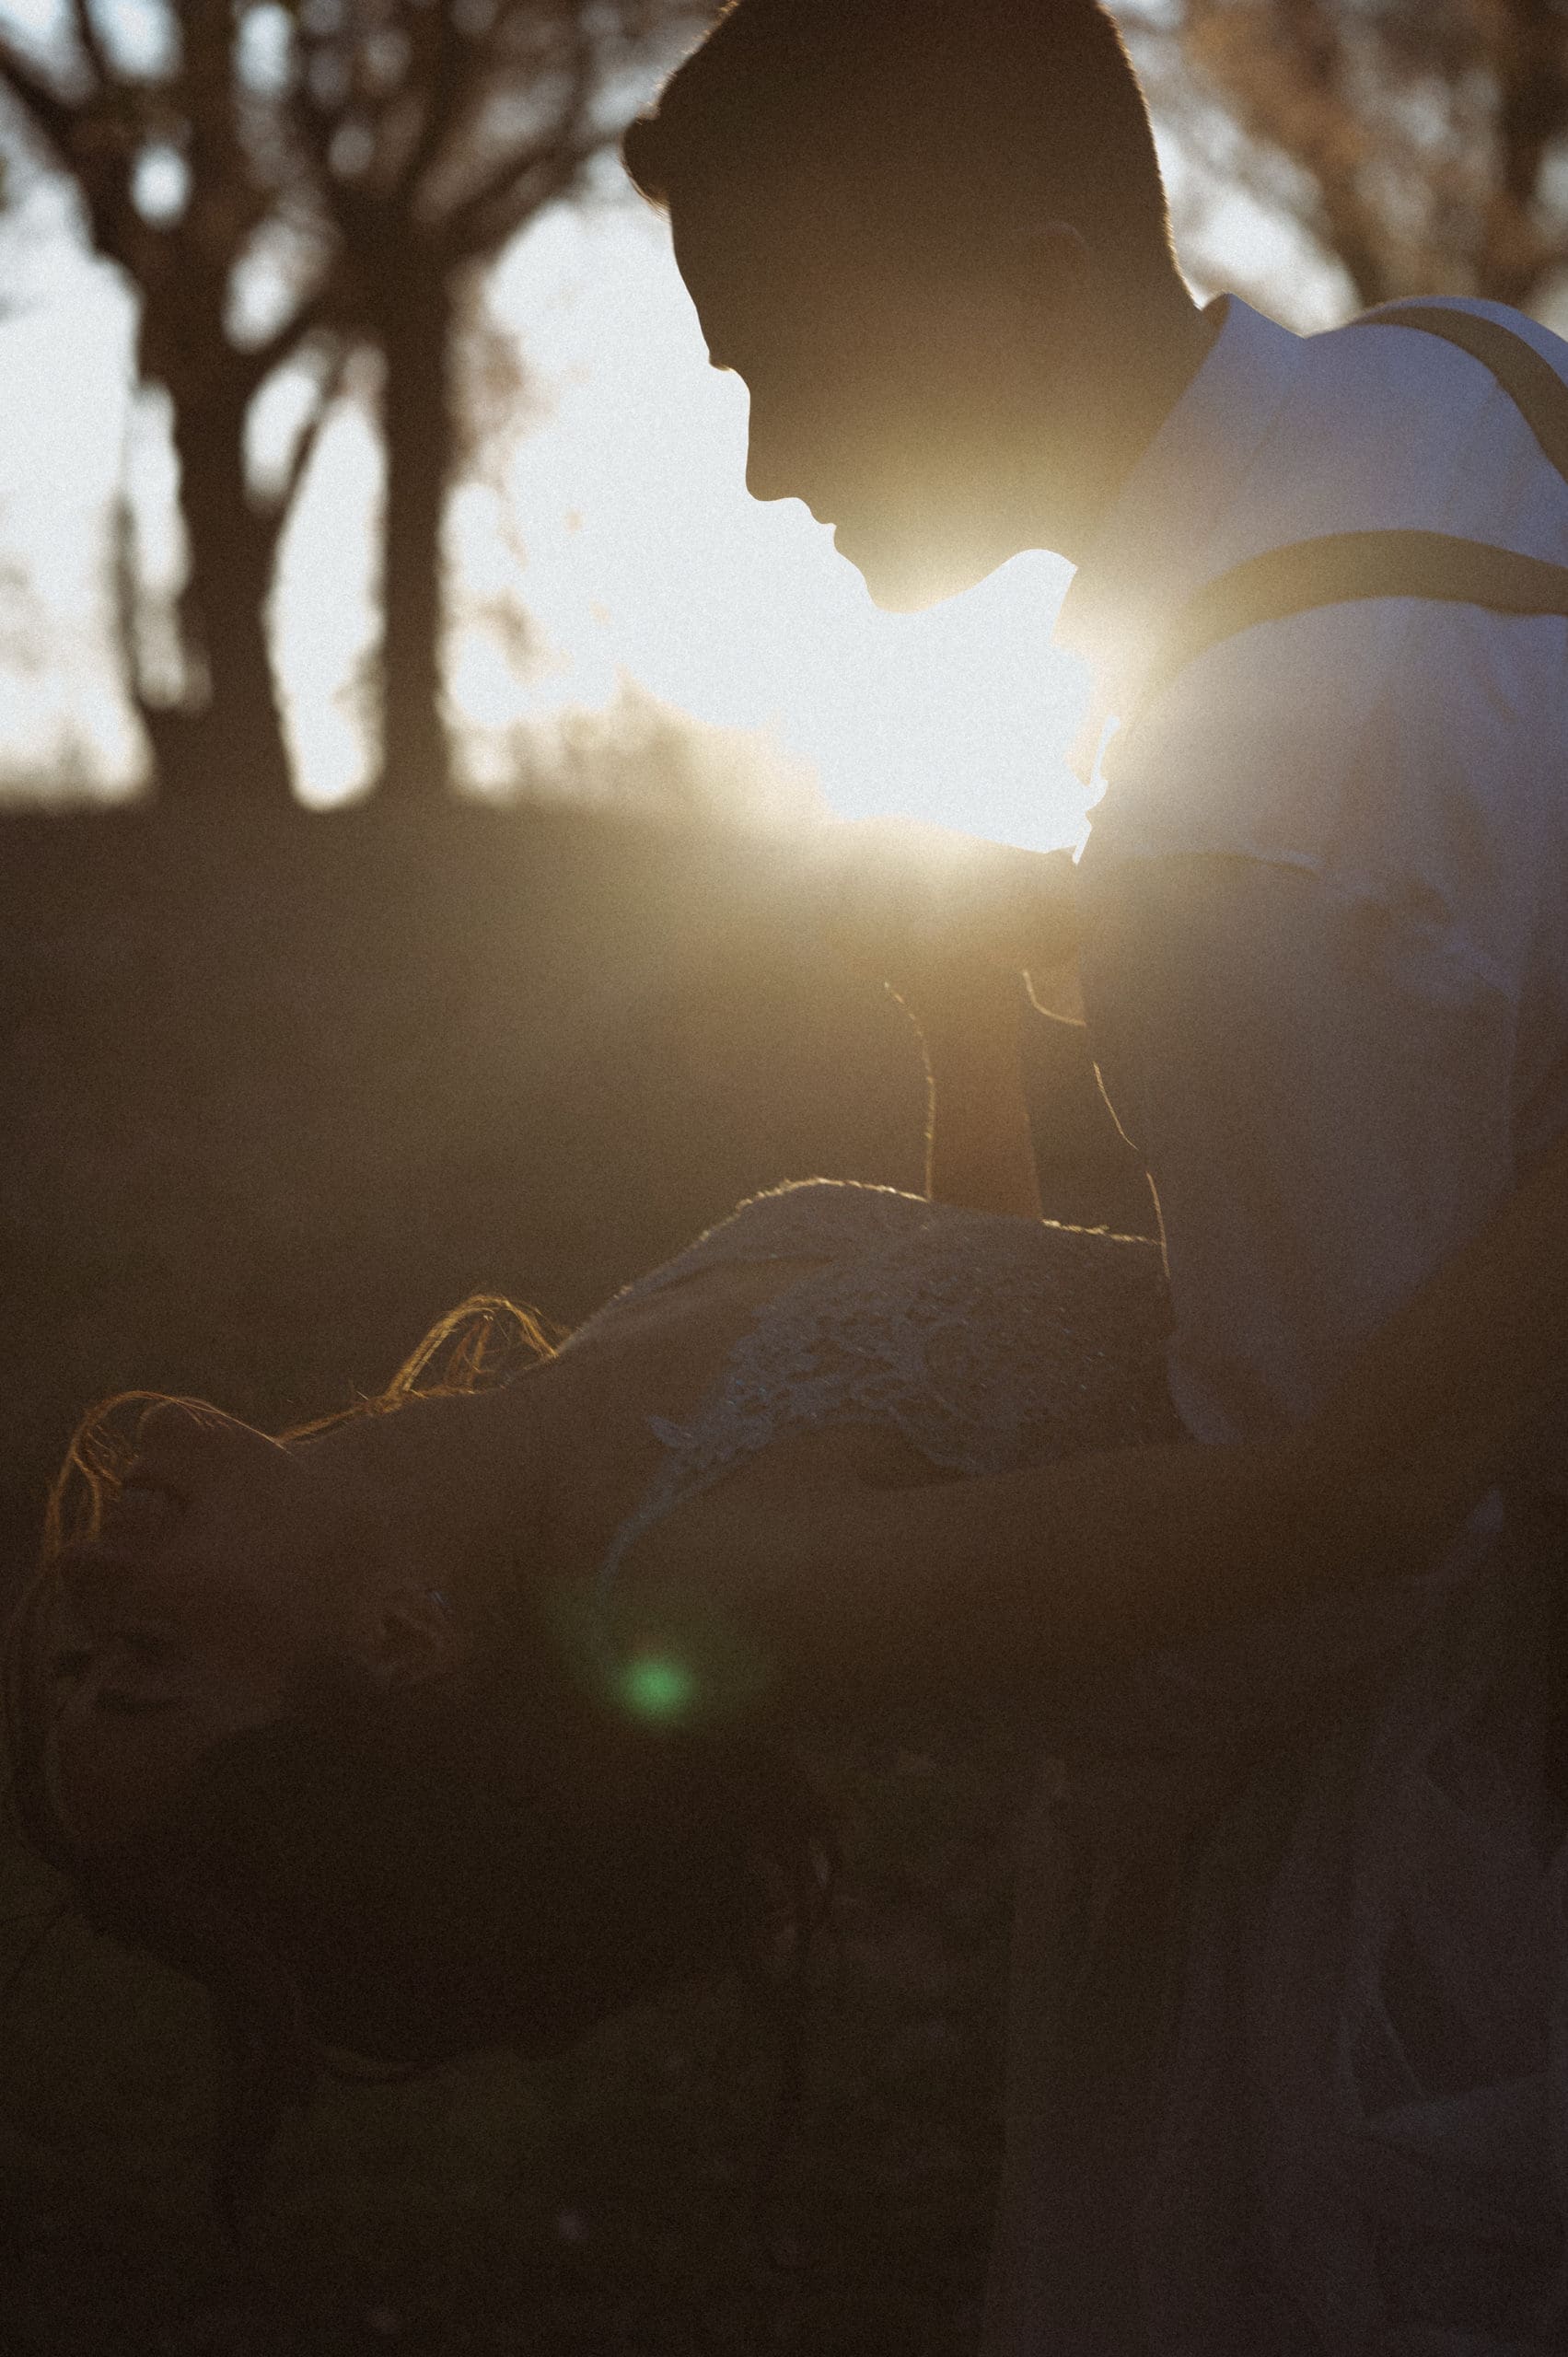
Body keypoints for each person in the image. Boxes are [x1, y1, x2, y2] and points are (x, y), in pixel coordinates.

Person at [7, 838, 1568, 2281]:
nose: (80, 1587)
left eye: (71, 1657)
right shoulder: (702, 1593)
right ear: (399, 1642)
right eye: (144, 1665)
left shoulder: (584, 1417)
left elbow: (986, 1402)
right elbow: (1362, 1501)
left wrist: (962, 1026)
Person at [621, 0, 1568, 2347]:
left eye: (791, 366)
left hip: (1458, 1876)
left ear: (1035, 289)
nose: (764, 466)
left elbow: (1340, 1539)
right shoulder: (1467, 379)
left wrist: (938, 1655)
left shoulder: (1250, 814)